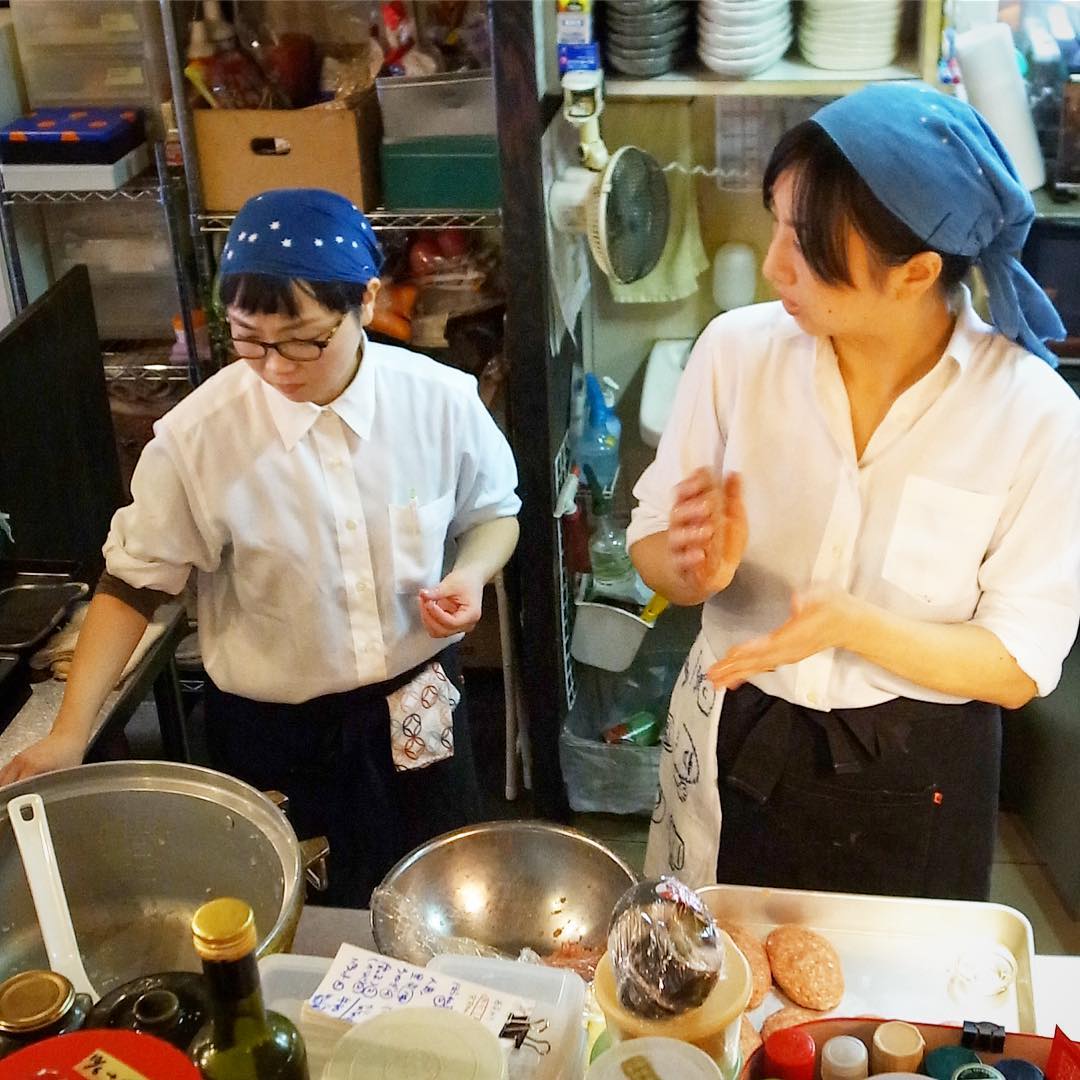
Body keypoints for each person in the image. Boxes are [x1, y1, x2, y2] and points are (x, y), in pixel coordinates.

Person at [0, 188, 521, 906]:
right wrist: (68, 731)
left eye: (305, 338)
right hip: (278, 734)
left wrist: (471, 569)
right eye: (250, 339)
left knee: (443, 894)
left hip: (420, 701)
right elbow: (133, 585)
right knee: (303, 919)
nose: (275, 366)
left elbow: (496, 513)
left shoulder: (439, 402)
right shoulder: (198, 439)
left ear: (366, 302)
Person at [628, 83, 1080, 901]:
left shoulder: (1034, 415)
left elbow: (1016, 663)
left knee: (900, 1016)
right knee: (709, 978)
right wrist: (693, 570)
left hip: (921, 758)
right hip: (738, 730)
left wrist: (854, 625)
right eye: (777, 225)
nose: (773, 266)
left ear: (916, 272)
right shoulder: (737, 352)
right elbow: (654, 538)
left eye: (806, 248)